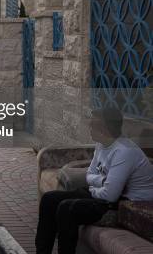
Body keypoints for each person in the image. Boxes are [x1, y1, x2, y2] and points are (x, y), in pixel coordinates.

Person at [35, 108, 153, 254]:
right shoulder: (102, 144)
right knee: (49, 199)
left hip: (127, 203)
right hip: (107, 195)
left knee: (67, 208)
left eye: (92, 125)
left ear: (104, 129)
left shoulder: (124, 151)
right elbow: (89, 175)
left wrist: (95, 186)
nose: (89, 128)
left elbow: (110, 195)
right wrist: (101, 181)